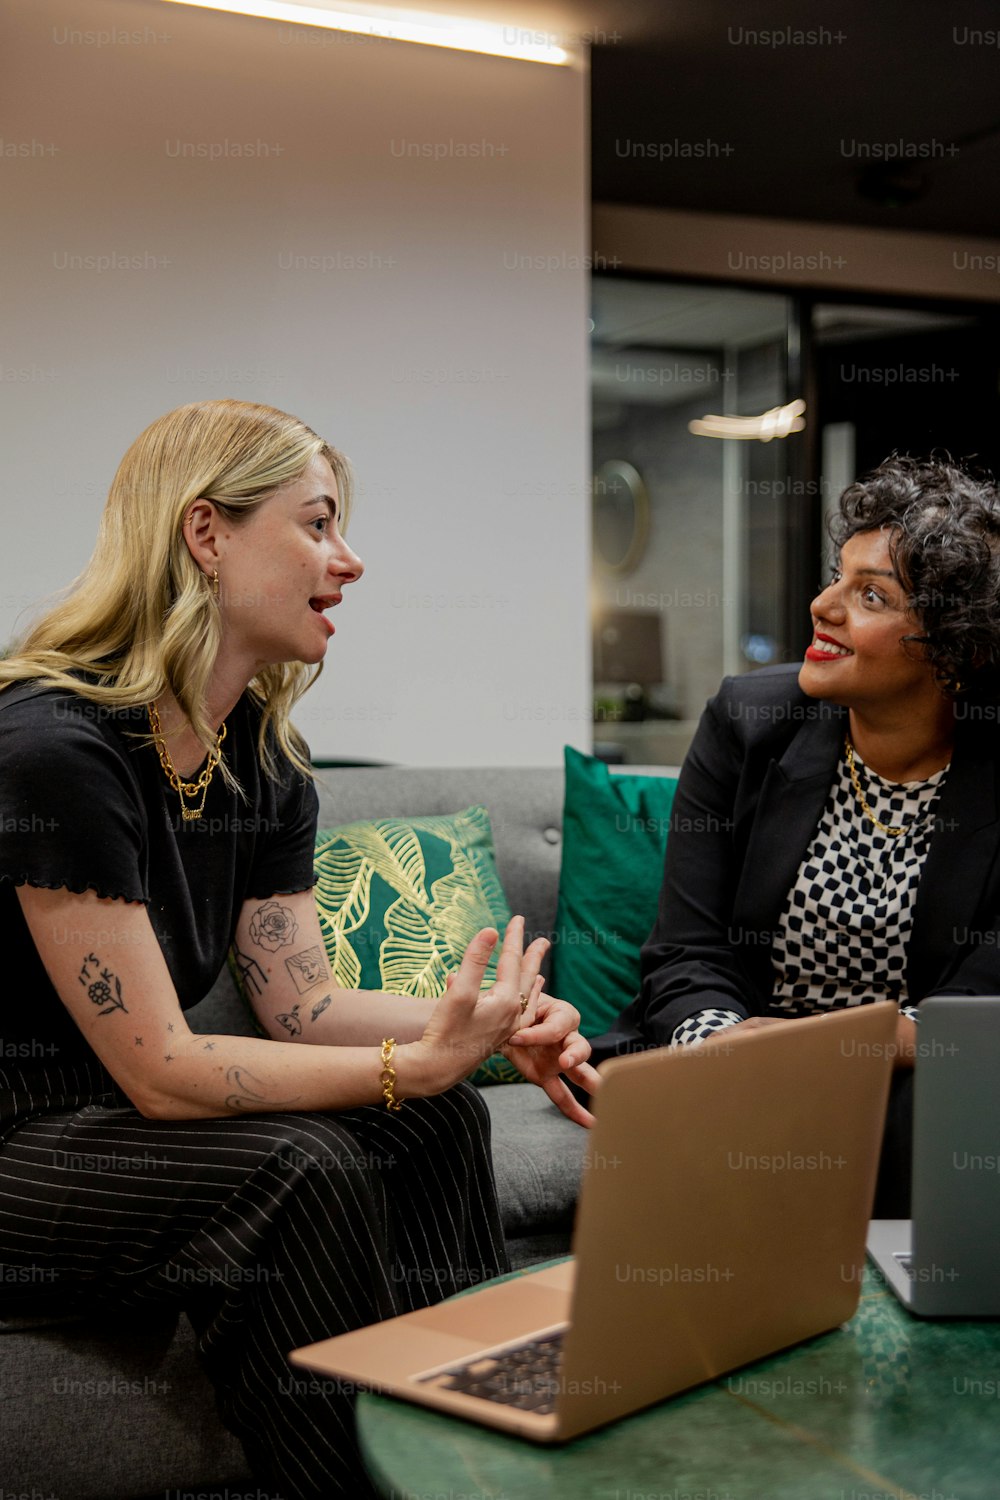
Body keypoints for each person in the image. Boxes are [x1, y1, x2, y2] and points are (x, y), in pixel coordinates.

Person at [0, 398, 598, 1500]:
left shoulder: (263, 756)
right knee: (298, 1167)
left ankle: (484, 1452)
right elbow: (163, 1071)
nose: (350, 559)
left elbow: (305, 1004)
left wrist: (474, 1032)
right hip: (19, 1138)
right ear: (205, 534)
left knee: (432, 1116)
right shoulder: (54, 748)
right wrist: (400, 1063)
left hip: (113, 1121)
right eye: (318, 524)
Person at [588, 455, 1000, 1215]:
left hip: (913, 1076)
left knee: (916, 1117)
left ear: (960, 649)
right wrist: (726, 1046)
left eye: (870, 595)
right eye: (836, 578)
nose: (823, 606)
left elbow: (983, 1004)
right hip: (730, 1055)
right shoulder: (749, 722)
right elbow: (686, 952)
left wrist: (822, 1056)